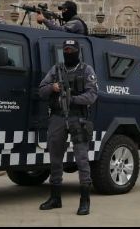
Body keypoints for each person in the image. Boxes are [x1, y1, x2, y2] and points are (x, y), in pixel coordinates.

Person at [37, 39, 98, 215]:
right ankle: (55, 198)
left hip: (78, 117)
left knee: (81, 159)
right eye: (66, 50)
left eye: (72, 50)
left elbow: (92, 95)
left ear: (78, 52)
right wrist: (53, 87)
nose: (69, 52)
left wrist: (73, 99)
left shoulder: (86, 70)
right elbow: (41, 90)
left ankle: (84, 200)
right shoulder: (56, 70)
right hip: (57, 117)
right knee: (55, 158)